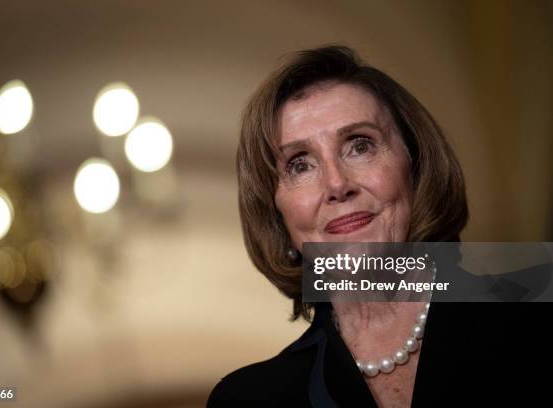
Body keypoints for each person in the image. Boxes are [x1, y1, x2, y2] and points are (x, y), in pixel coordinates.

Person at [207, 45, 550, 407]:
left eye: (360, 145)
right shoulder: (250, 400)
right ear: (276, 214)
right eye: (299, 165)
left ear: (416, 164)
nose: (337, 185)